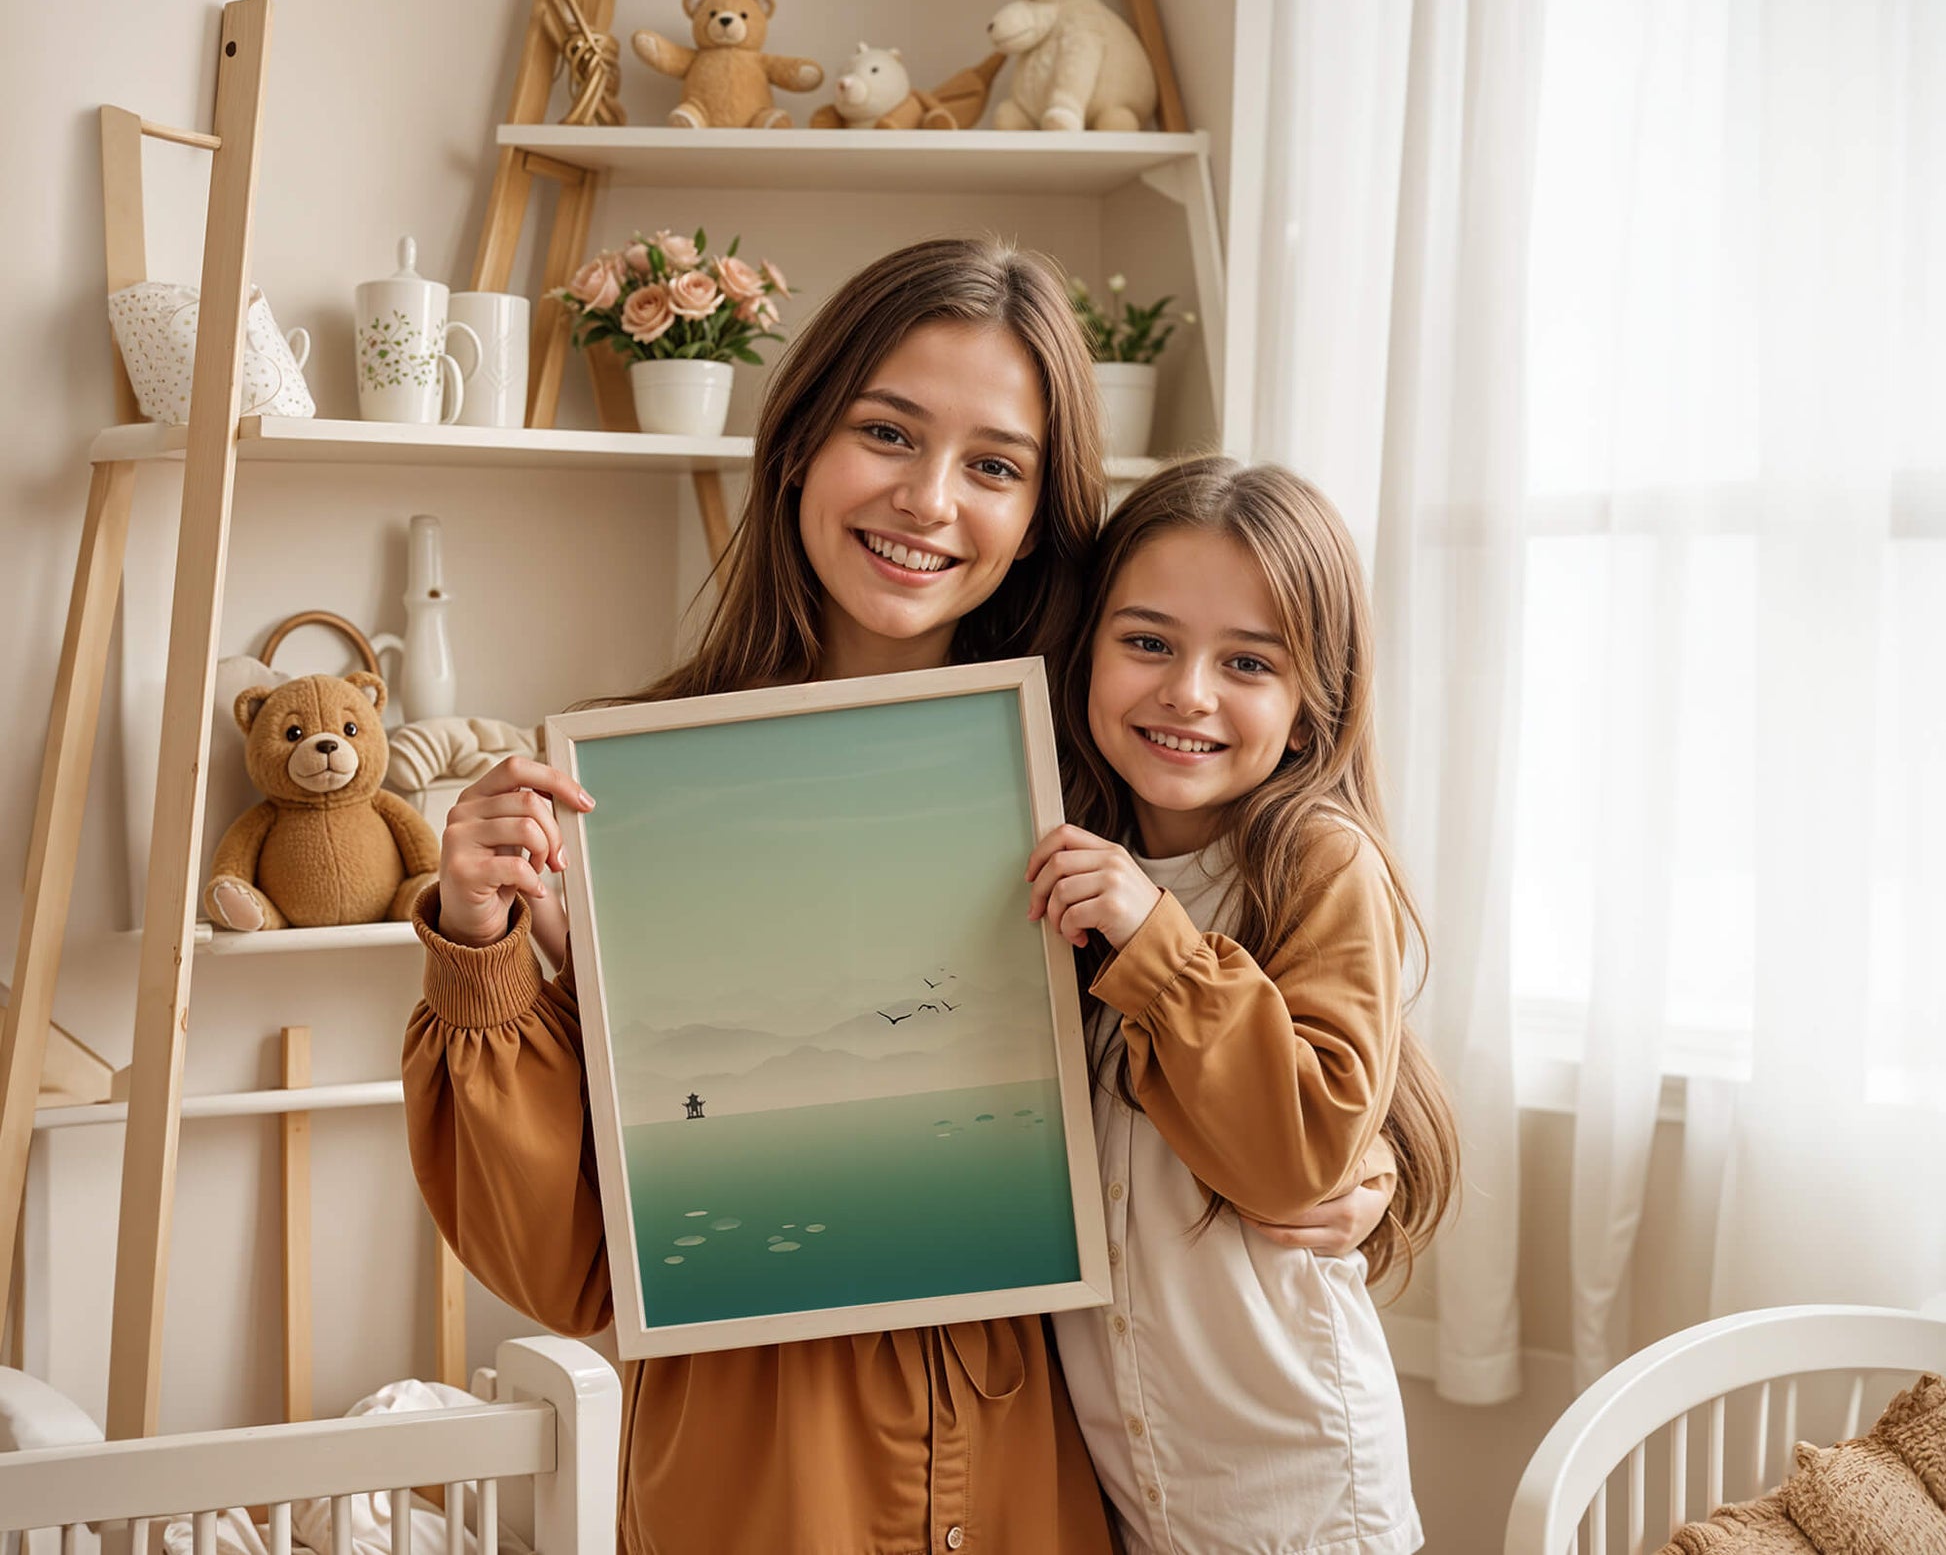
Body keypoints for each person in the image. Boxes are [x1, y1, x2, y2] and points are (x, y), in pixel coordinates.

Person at [402, 240, 1395, 1555]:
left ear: (1041, 512)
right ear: (802, 440)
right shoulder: (629, 796)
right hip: (758, 1482)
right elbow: (562, 1264)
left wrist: (1357, 1162)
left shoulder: (1099, 776)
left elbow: (1314, 1053)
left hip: (1034, 1480)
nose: (929, 499)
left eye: (994, 464)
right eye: (888, 432)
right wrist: (481, 952)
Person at [1029, 456, 1460, 1555]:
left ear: (1310, 711)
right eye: (1147, 643)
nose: (1187, 692)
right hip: (1128, 1480)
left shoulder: (1316, 861)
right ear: (1085, 656)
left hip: (1299, 1497)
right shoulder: (1062, 855)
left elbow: (1297, 1154)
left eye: (1246, 663)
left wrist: (1152, 939)